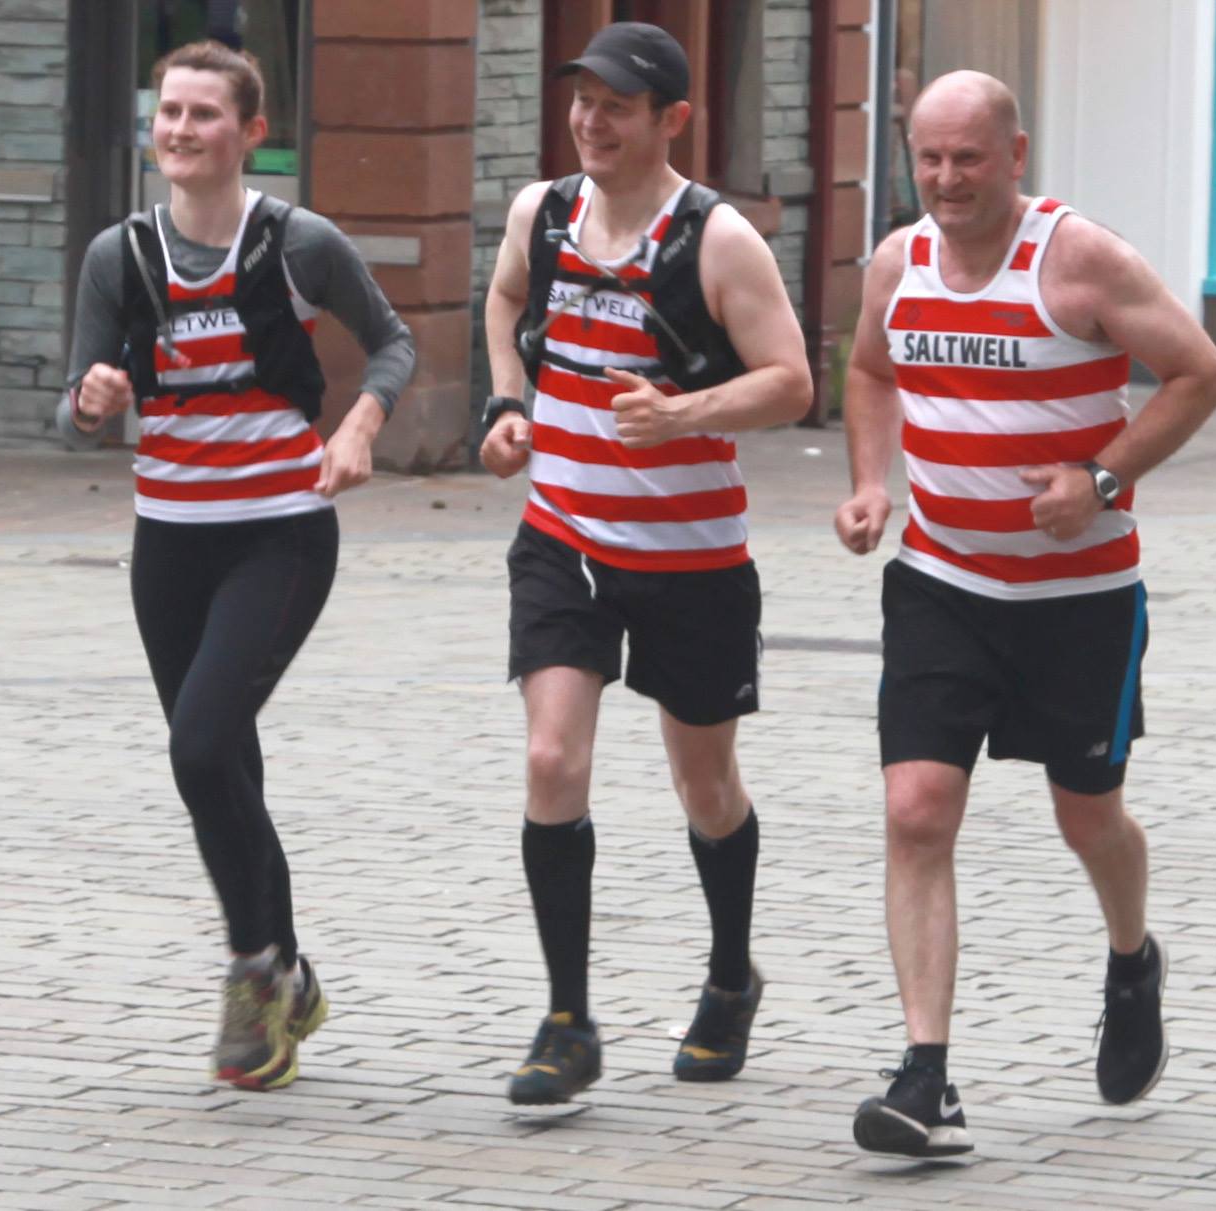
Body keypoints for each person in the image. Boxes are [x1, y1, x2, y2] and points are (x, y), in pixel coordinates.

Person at [833, 70, 1216, 1156]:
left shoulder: (1080, 259)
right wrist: (872, 482)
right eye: (928, 157)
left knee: (1086, 815)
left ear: (1015, 155)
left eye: (968, 158)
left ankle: (1129, 956)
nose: (946, 179)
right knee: (916, 808)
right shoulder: (895, 261)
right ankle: (925, 1075)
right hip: (942, 582)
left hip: (1078, 600)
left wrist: (1098, 481)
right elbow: (866, 369)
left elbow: (1198, 374)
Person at [56, 40, 414, 1092]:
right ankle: (290, 973)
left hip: (279, 533)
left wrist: (357, 426)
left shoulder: (296, 243)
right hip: (166, 542)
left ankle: (253, 965)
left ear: (251, 132)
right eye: (166, 111)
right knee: (224, 761)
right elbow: (74, 398)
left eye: (203, 114)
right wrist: (89, 403)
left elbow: (392, 342)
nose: (177, 130)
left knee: (201, 741)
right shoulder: (117, 255)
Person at [478, 21, 813, 1105]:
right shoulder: (544, 212)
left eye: (615, 106)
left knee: (702, 781)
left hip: (690, 558)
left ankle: (728, 974)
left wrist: (683, 414)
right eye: (582, 100)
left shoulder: (717, 243)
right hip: (563, 540)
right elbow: (503, 301)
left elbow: (792, 381)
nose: (590, 120)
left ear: (670, 119)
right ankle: (567, 1018)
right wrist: (507, 403)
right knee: (548, 761)